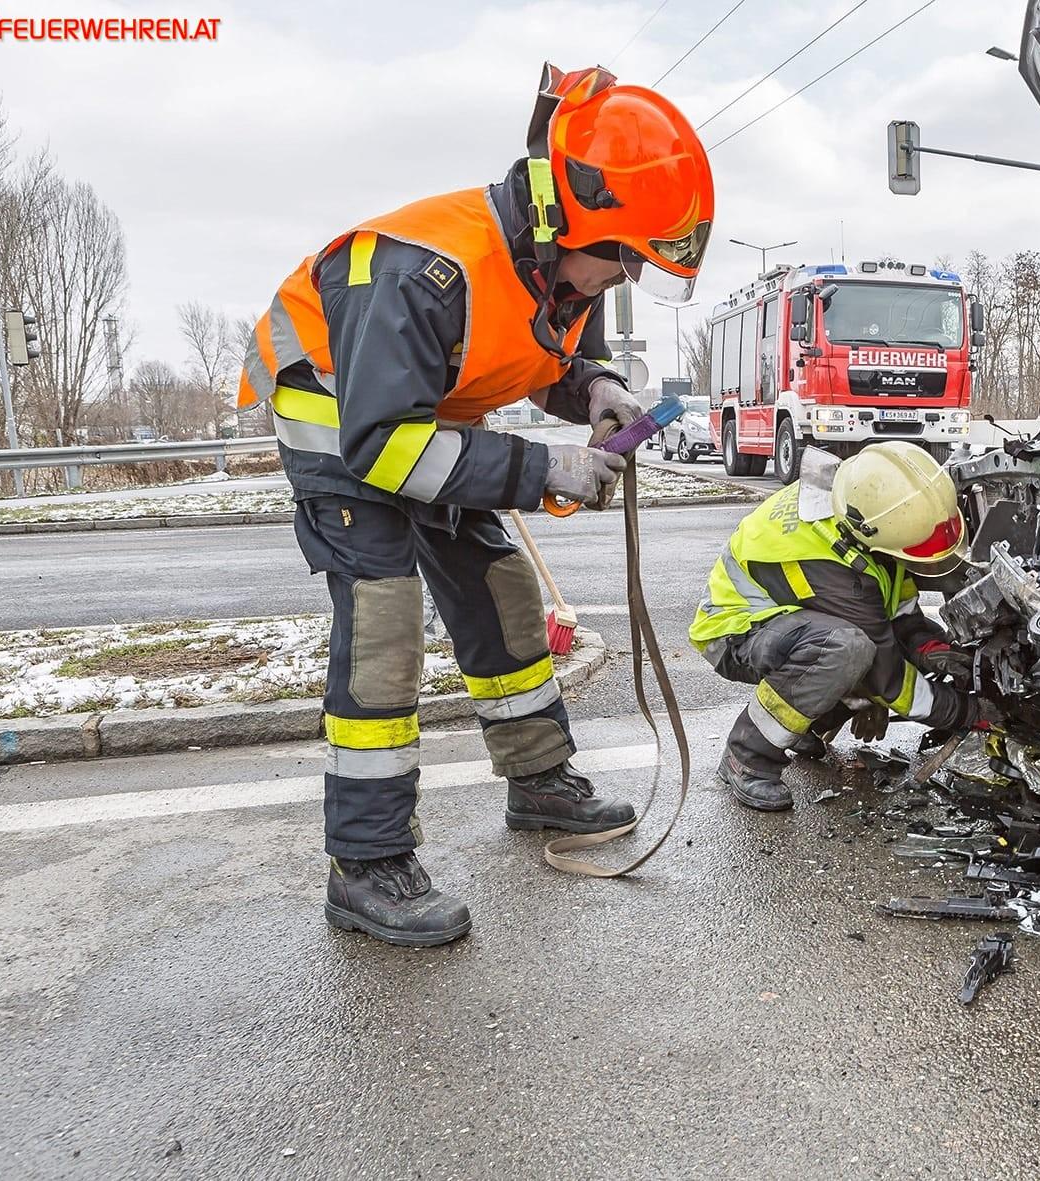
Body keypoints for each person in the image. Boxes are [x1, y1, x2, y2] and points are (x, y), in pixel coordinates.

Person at [235, 64, 714, 946]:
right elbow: (382, 448)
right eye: (622, 260)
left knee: (502, 592)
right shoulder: (424, 271)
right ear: (572, 220)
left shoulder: (565, 268)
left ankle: (539, 782)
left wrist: (598, 388)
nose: (619, 281)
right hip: (342, 429)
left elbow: (552, 357)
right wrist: (543, 471)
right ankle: (368, 864)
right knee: (384, 622)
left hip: (425, 421)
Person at [690, 442, 989, 811]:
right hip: (735, 630)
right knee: (846, 650)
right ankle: (747, 755)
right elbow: (888, 679)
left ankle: (802, 726)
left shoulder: (865, 506)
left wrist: (933, 649)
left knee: (852, 649)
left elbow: (901, 617)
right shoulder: (831, 563)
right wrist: (969, 711)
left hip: (795, 623)